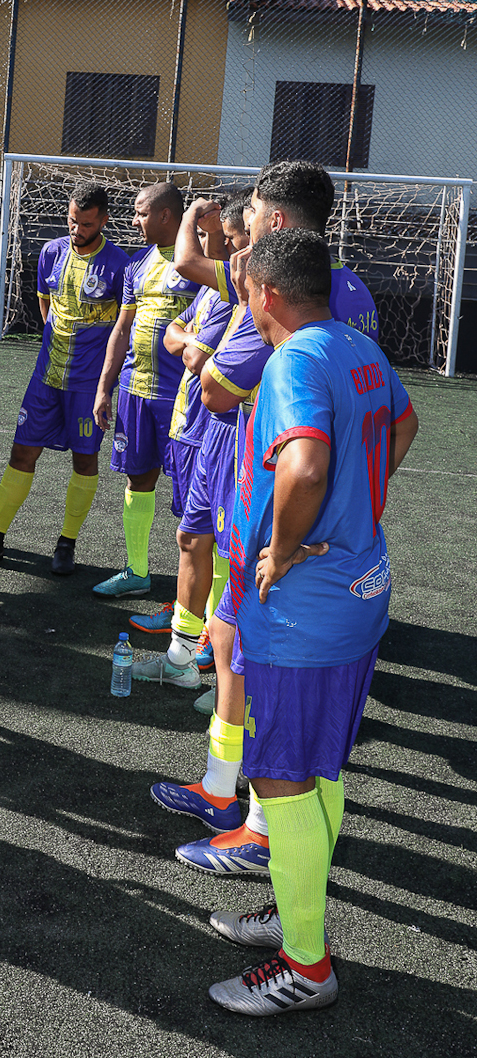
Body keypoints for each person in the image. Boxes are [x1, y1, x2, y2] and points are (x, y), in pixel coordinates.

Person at [205, 228, 417, 1016]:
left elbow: (305, 463)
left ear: (265, 293)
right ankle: (298, 920)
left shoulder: (293, 357)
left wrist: (284, 548)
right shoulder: (356, 345)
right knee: (321, 766)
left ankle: (305, 965)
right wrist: (356, 507)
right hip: (360, 591)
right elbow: (404, 423)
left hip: (306, 613)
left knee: (284, 773)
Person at [149, 161, 380, 872]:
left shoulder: (286, 315)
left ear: (276, 222)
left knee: (254, 674)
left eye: (251, 208)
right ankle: (228, 791)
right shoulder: (356, 295)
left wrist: (281, 544)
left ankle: (256, 827)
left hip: (288, 532)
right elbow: (396, 423)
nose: (242, 221)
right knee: (226, 637)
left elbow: (220, 392)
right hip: (344, 547)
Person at [0, 182, 128, 575]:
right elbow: (45, 305)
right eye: (71, 220)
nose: (75, 229)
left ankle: (66, 543)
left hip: (87, 385)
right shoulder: (51, 252)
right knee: (21, 453)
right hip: (45, 378)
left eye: (84, 223)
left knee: (85, 461)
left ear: (103, 220)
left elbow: (122, 327)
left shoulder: (119, 265)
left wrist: (102, 380)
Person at [129, 191, 253, 643]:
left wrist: (186, 341)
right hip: (189, 426)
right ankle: (192, 622)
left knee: (216, 542)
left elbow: (193, 357)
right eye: (202, 234)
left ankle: (208, 635)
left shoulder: (231, 295)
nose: (208, 243)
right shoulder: (212, 291)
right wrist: (184, 339)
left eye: (222, 236)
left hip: (213, 432)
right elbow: (171, 336)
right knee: (192, 536)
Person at [91, 182, 203, 597]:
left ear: (166, 216)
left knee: (194, 496)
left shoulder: (201, 265)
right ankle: (137, 571)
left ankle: (194, 592)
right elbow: (121, 330)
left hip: (184, 402)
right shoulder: (137, 264)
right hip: (135, 393)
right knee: (138, 480)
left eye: (140, 213)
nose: (134, 221)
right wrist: (105, 388)